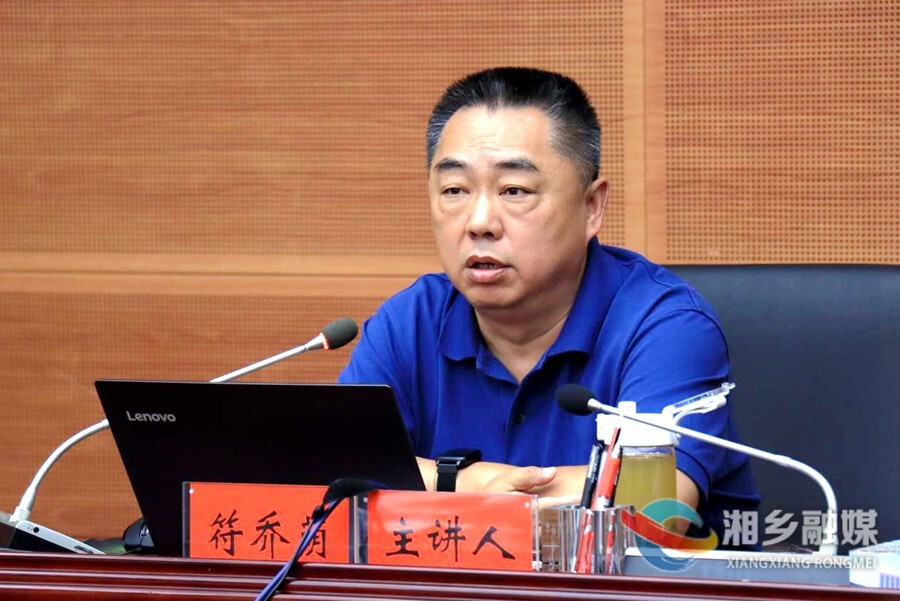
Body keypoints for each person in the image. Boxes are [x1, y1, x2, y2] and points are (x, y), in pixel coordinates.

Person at [339, 67, 759, 546]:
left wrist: (434, 487)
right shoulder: (409, 322)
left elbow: (652, 510)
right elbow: (333, 478)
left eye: (514, 191)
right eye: (455, 190)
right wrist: (470, 481)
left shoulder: (666, 326)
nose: (479, 222)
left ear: (591, 207)